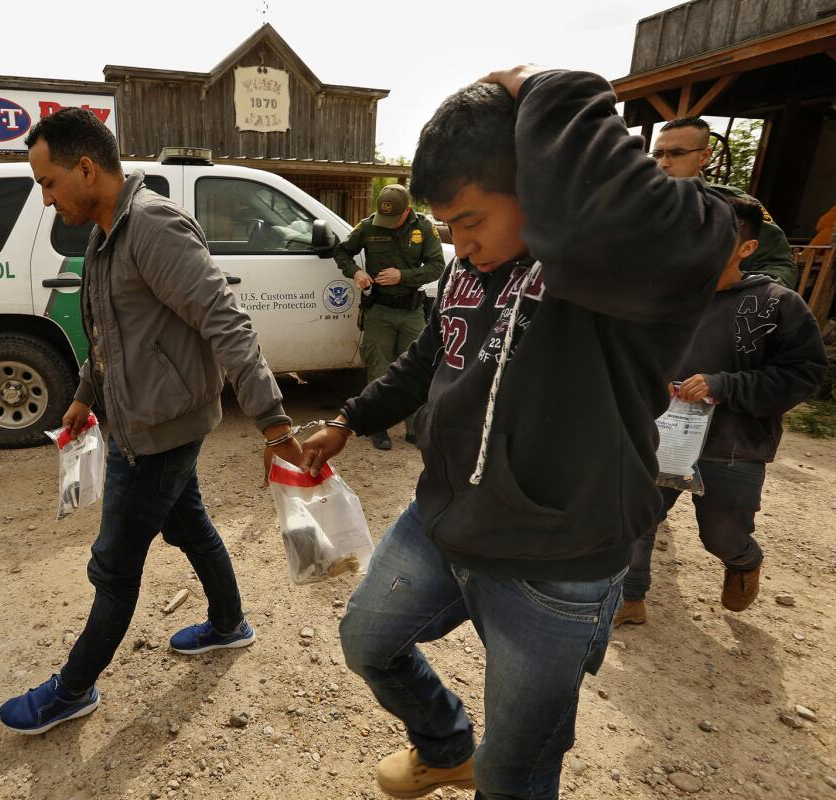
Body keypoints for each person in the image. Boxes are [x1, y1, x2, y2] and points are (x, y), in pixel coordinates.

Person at [298, 66, 738, 799]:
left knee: (516, 769)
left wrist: (546, 84)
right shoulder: (470, 271)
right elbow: (429, 357)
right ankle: (443, 747)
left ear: (536, 184)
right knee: (366, 642)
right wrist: (351, 418)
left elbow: (662, 223)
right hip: (446, 522)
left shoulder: (619, 265)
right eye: (448, 229)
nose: (460, 246)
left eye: (471, 222)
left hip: (558, 561)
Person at [0, 108, 303, 735]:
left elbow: (226, 320)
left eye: (49, 183)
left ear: (86, 169)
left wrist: (273, 421)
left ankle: (73, 689)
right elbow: (107, 331)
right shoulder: (105, 230)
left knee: (114, 567)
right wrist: (85, 391)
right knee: (188, 523)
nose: (47, 199)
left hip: (159, 430)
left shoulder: (154, 227)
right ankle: (228, 624)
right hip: (140, 419)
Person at [615, 195, 827, 626]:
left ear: (746, 248)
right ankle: (629, 599)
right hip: (662, 436)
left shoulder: (776, 304)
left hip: (733, 445)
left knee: (721, 534)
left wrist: (724, 385)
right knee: (636, 518)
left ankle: (743, 561)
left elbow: (803, 374)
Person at [333, 184, 445, 450]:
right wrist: (356, 273)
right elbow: (342, 251)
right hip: (379, 310)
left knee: (418, 368)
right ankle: (378, 427)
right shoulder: (369, 226)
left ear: (407, 211)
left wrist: (402, 276)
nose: (388, 224)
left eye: (394, 218)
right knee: (378, 366)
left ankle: (415, 428)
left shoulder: (425, 229)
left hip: (411, 311)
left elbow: (437, 266)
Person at [652, 117, 798, 289]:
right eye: (657, 154)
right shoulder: (636, 204)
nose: (663, 163)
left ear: (704, 156)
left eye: (677, 153)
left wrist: (742, 300)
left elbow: (778, 266)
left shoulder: (735, 206)